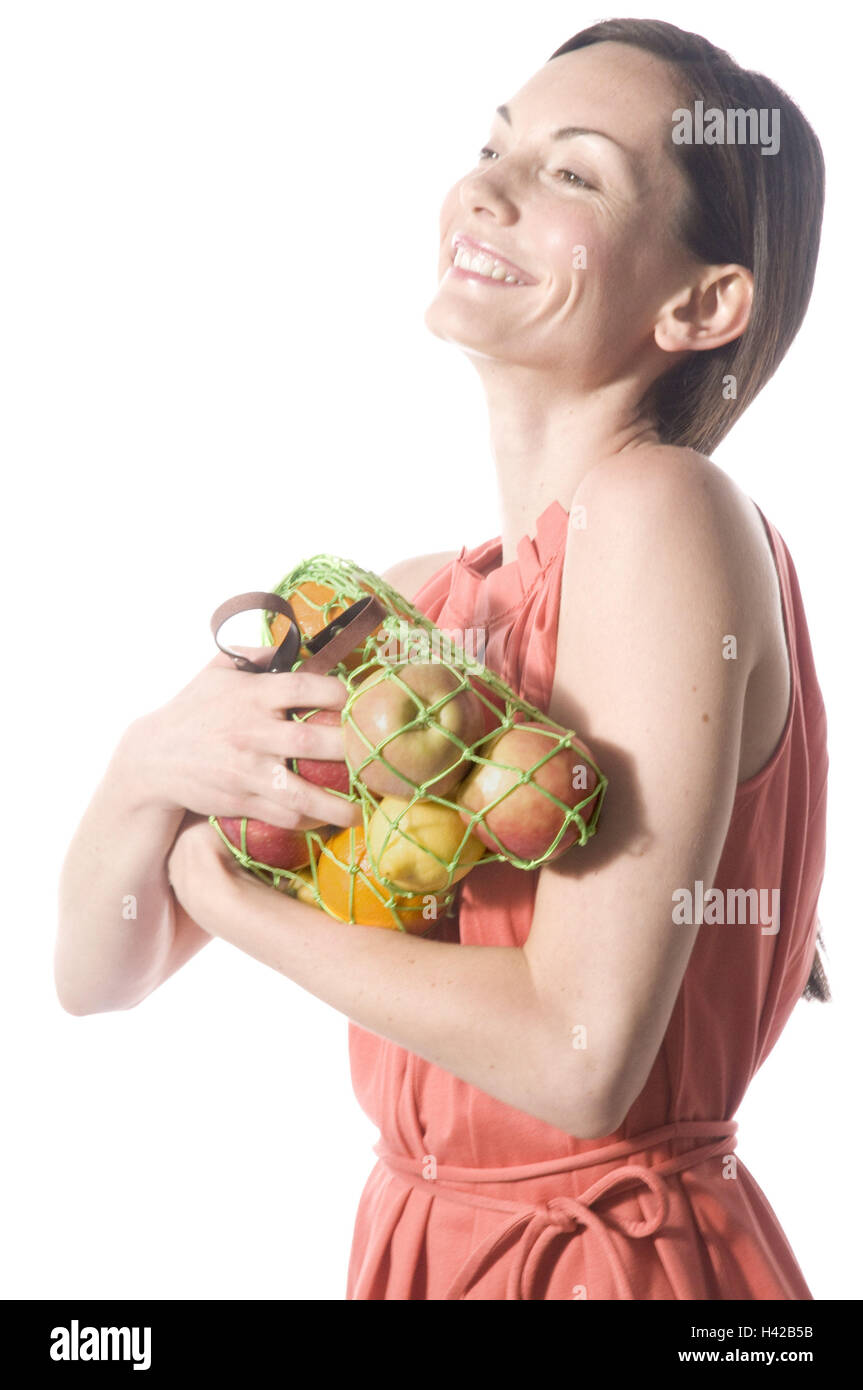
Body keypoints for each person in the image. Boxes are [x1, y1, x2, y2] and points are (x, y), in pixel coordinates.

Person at [55, 18, 830, 1299]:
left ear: (700, 304)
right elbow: (98, 971)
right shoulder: (416, 607)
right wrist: (147, 768)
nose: (486, 186)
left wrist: (226, 893)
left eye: (572, 172)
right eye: (491, 145)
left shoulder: (662, 510)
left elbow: (577, 1055)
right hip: (421, 1250)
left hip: (609, 1268)